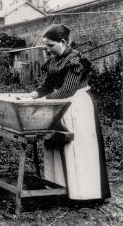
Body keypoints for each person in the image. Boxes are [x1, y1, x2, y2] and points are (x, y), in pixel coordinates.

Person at [25, 24, 110, 201]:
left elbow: (67, 90)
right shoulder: (54, 60)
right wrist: (30, 96)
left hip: (76, 105)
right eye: (46, 46)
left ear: (63, 42)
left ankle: (83, 193)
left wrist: (43, 101)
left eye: (50, 46)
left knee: (77, 147)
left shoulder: (76, 61)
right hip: (57, 104)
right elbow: (46, 86)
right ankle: (59, 188)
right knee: (55, 143)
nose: (47, 50)